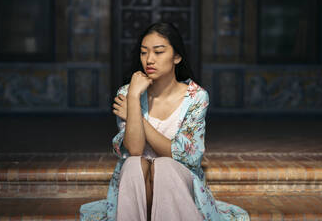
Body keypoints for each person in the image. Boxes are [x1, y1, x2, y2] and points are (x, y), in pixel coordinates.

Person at [80, 22, 250, 221]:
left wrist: (137, 117)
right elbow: (134, 150)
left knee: (165, 166)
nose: (149, 60)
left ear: (177, 57)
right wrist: (134, 97)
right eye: (143, 53)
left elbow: (183, 155)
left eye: (158, 52)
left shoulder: (196, 97)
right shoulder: (128, 93)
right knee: (134, 164)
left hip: (176, 182)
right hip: (137, 186)